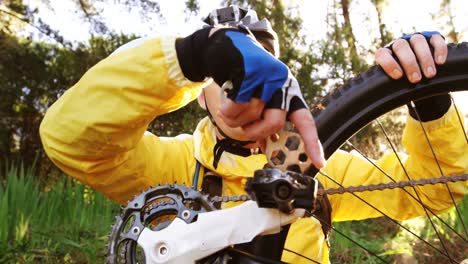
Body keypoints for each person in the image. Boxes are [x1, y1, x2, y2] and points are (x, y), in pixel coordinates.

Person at [39, 6, 466, 263]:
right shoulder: (169, 166)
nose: (237, 90)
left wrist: (430, 102)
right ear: (198, 95)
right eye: (220, 74)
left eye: (257, 69)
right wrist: (189, 55)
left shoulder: (316, 164)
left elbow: (434, 189)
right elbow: (70, 139)